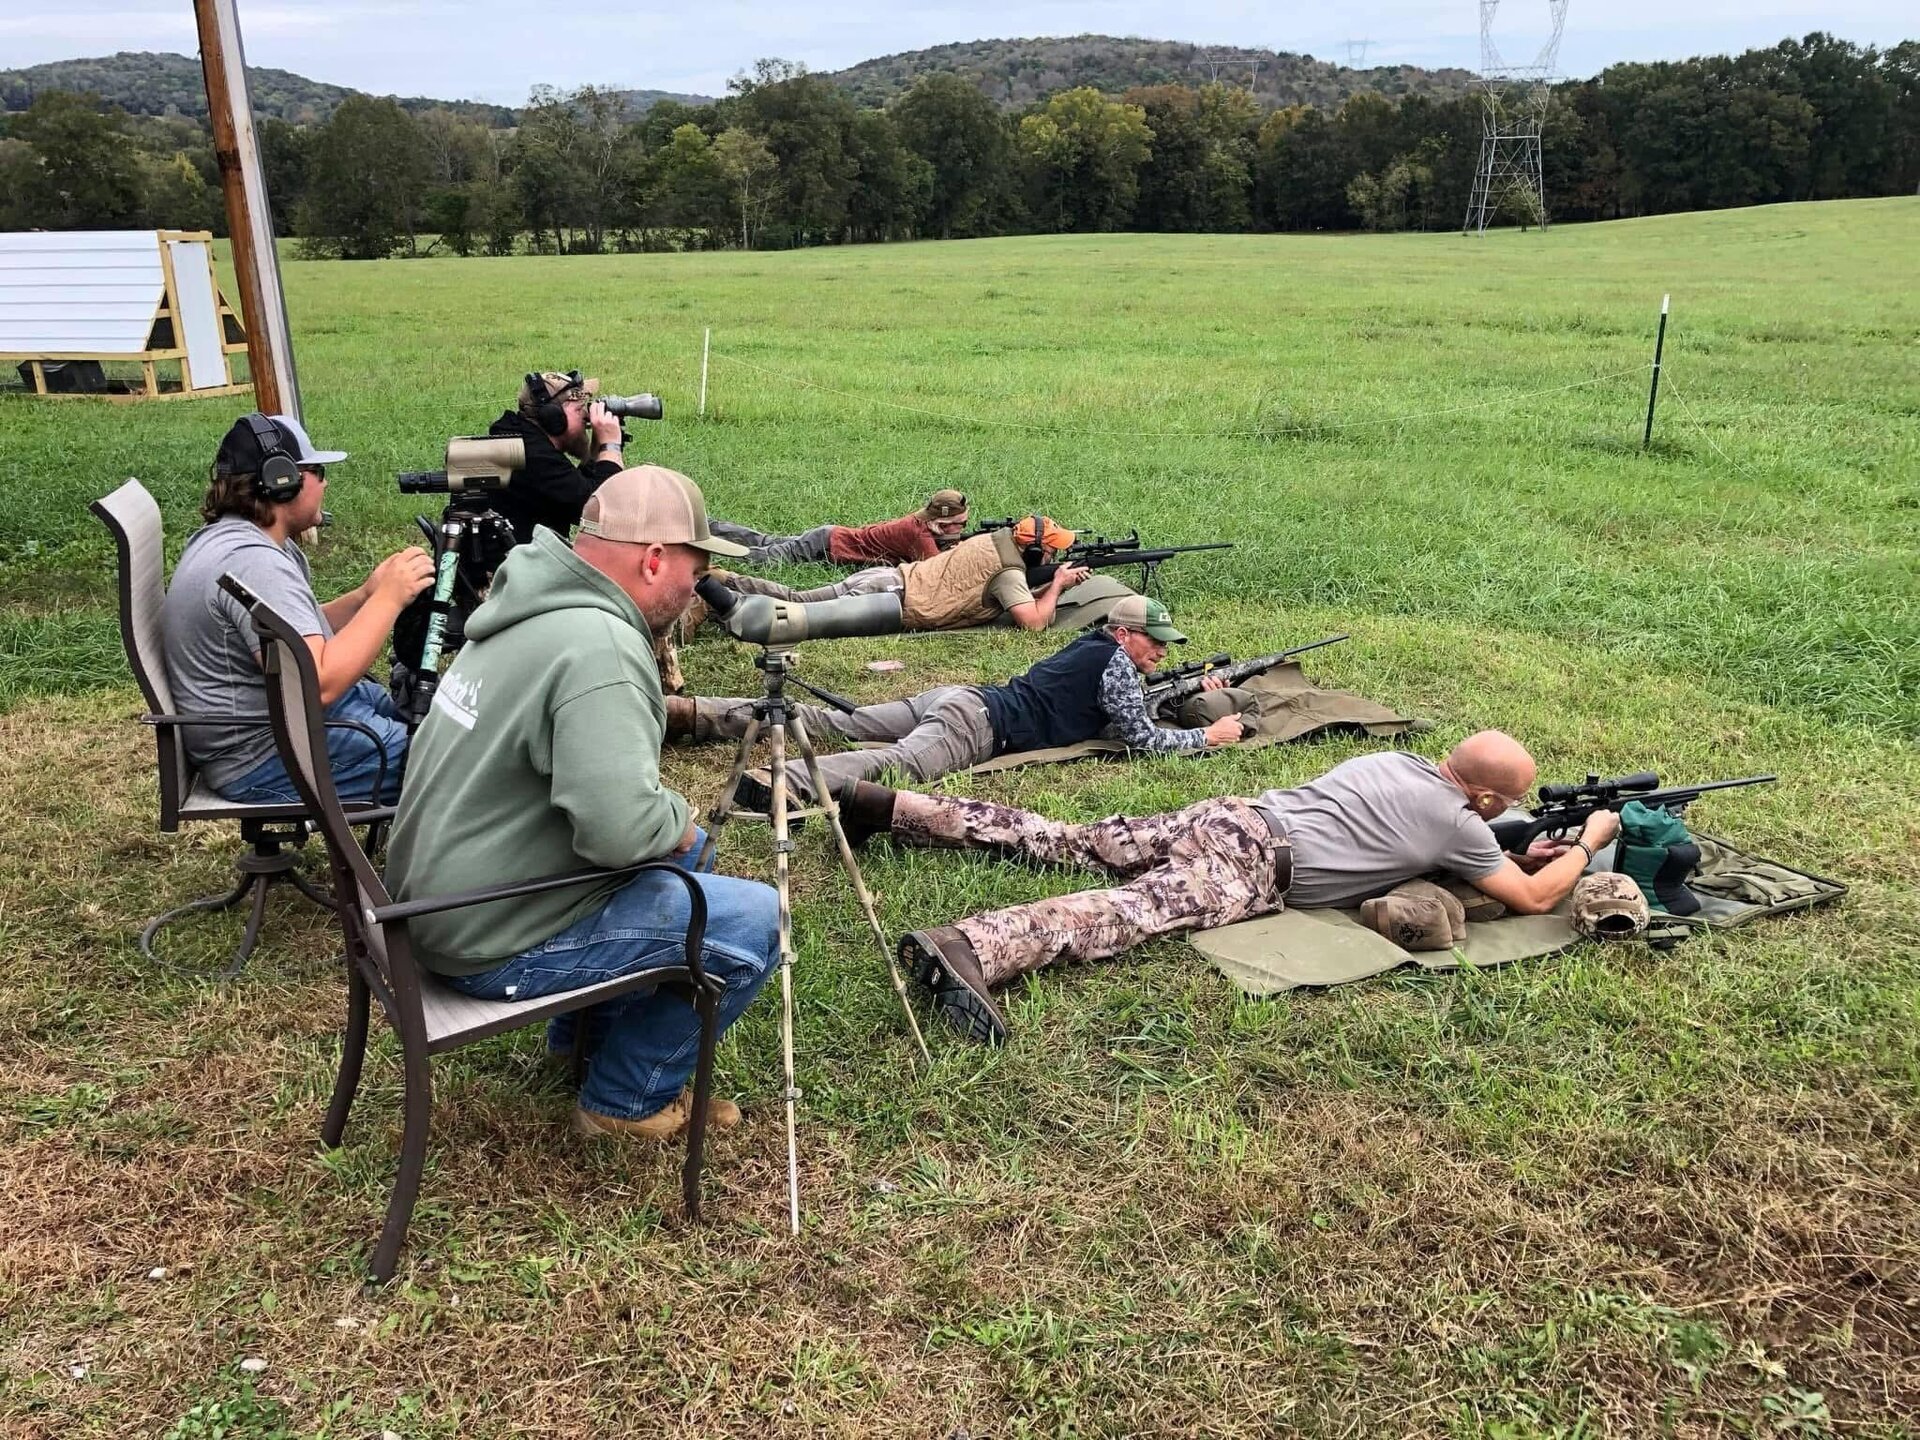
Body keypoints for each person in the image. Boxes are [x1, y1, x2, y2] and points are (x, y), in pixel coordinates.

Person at [384, 465, 780, 1142]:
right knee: (756, 920)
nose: (698, 590)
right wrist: (677, 821)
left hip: (431, 901)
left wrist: (672, 830)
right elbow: (619, 834)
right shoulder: (602, 648)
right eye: (695, 570)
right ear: (654, 560)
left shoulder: (529, 604)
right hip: (481, 934)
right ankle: (624, 1100)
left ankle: (580, 1042)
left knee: (692, 859)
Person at [832, 730, 1622, 1044]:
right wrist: (1588, 843)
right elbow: (1532, 900)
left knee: (1071, 840)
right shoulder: (1461, 823)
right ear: (1484, 799)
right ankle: (969, 948)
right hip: (1255, 866)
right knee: (1127, 912)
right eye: (1506, 803)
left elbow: (1403, 834)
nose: (1506, 812)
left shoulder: (1397, 763)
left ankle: (892, 806)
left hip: (1233, 816)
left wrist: (1506, 846)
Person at [669, 595, 1244, 808]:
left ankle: (695, 713)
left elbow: (1126, 706)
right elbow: (1140, 738)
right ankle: (783, 780)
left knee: (839, 720)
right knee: (898, 763)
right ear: (1123, 634)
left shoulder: (1093, 648)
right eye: (1153, 642)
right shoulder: (1117, 663)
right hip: (977, 727)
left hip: (960, 699)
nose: (1161, 652)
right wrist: (1206, 735)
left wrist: (1190, 690)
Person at [162, 412, 433, 804]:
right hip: (269, 754)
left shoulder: (236, 540)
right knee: (450, 764)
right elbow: (318, 682)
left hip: (284, 726)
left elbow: (292, 638)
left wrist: (364, 596)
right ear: (282, 480)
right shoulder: (253, 562)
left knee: (441, 723)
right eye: (317, 471)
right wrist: (389, 599)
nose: (325, 482)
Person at [699, 515, 1088, 634]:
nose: (1054, 555)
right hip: (887, 600)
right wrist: (1057, 584)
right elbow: (1033, 624)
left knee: (796, 599)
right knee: (795, 613)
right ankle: (716, 596)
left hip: (886, 579)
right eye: (1051, 549)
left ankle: (722, 580)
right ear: (1033, 549)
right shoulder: (1008, 574)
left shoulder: (992, 541)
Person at [486, 369, 627, 546]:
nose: (586, 415)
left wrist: (596, 451)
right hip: (517, 562)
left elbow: (573, 494)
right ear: (554, 417)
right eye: (579, 408)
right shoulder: (534, 457)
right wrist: (610, 446)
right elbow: (596, 510)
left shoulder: (527, 441)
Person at [710, 489, 971, 567]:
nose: (963, 527)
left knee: (766, 541)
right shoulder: (919, 535)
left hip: (829, 537)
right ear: (942, 523)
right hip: (826, 544)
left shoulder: (920, 526)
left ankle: (710, 526)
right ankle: (707, 541)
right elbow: (936, 570)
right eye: (961, 524)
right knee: (762, 557)